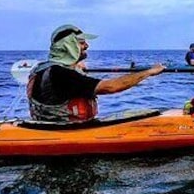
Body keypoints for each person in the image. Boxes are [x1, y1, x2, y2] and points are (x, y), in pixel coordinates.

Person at [27, 24, 165, 122]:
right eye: (81, 43)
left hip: (48, 126)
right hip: (65, 130)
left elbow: (65, 82)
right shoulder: (61, 74)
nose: (87, 46)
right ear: (68, 47)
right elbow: (111, 87)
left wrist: (75, 66)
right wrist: (148, 72)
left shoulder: (43, 68)